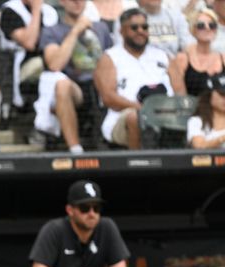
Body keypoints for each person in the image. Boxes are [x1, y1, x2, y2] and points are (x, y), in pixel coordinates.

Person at [33, 0, 113, 153]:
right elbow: (55, 65)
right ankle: (75, 149)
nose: (77, 2)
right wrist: (75, 31)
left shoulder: (101, 28)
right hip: (76, 88)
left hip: (102, 85)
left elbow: (114, 60)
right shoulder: (52, 31)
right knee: (62, 85)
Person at [94, 8, 173, 149]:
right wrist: (144, 109)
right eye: (134, 27)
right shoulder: (110, 57)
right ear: (121, 30)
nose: (140, 31)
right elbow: (108, 97)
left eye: (144, 27)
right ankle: (139, 163)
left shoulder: (162, 55)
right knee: (135, 117)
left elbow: (179, 90)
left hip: (165, 112)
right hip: (124, 116)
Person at [0, 0, 59, 109]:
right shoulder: (10, 10)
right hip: (21, 66)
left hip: (51, 63)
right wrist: (36, 9)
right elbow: (29, 43)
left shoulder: (50, 12)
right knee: (41, 64)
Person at [168, 8, 225, 96]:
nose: (207, 28)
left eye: (212, 25)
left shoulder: (223, 58)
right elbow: (180, 98)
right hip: (194, 108)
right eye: (201, 25)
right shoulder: (182, 59)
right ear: (193, 30)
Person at [113, 0, 194, 58]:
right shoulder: (126, 18)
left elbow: (189, 46)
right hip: (140, 68)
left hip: (173, 68)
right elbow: (122, 51)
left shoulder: (176, 16)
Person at [187, 73, 225, 148]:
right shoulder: (196, 121)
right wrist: (222, 138)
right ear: (209, 95)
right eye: (222, 94)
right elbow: (199, 146)